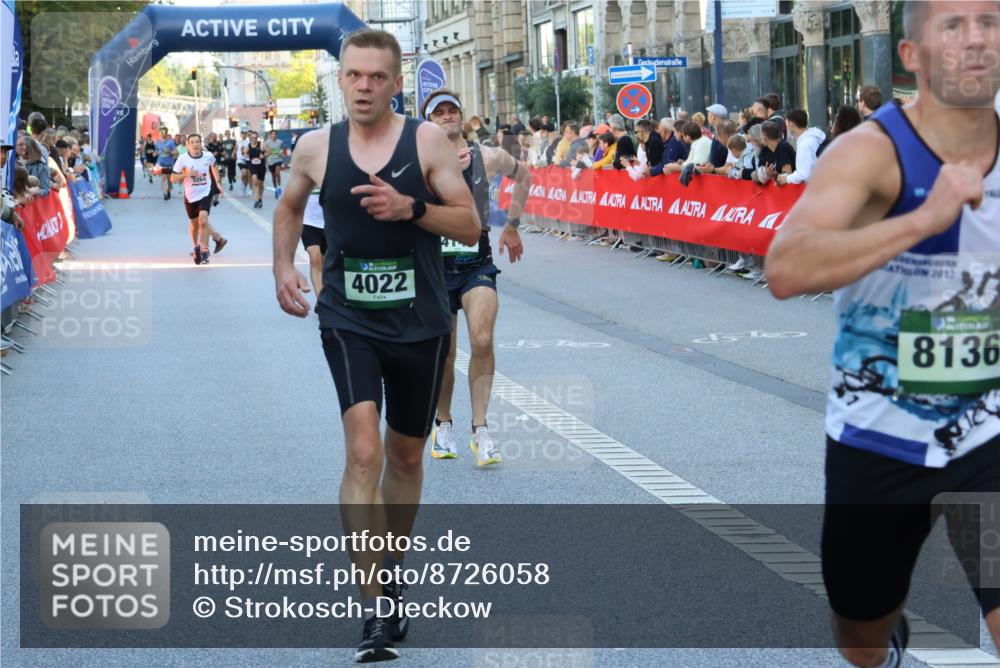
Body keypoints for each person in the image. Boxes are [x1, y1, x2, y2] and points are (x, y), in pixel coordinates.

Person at [765, 3, 1000, 667]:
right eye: (953, 26)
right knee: (860, 633)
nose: (976, 38)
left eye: (990, 21)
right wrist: (924, 218)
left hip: (986, 435)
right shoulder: (871, 151)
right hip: (880, 438)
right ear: (912, 56)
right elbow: (786, 267)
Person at [271, 28, 481, 663]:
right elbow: (287, 209)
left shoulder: (426, 141)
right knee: (363, 450)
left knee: (406, 459)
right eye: (354, 75)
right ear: (341, 79)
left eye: (377, 77)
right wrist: (282, 266)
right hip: (347, 319)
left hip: (421, 321)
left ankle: (392, 569)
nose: (364, 86)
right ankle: (377, 602)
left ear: (395, 82)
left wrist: (411, 207)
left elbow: (469, 224)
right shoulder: (314, 147)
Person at [421, 88, 531, 466]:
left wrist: (512, 225)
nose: (447, 116)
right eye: (440, 113)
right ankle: (443, 422)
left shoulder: (488, 155)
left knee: (482, 339)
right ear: (429, 121)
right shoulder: (416, 159)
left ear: (462, 116)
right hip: (434, 266)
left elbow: (525, 175)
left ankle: (480, 428)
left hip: (476, 263)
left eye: (452, 110)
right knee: (444, 352)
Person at [171, 134, 227, 265]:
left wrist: (218, 182)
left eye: (198, 142)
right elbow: (173, 178)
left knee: (203, 220)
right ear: (188, 145)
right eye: (192, 142)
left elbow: (214, 166)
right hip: (190, 195)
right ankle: (196, 246)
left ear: (201, 143)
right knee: (194, 225)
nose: (195, 144)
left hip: (205, 192)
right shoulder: (183, 159)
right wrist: (186, 174)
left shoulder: (208, 156)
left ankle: (204, 249)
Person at [778, 108, 826, 185]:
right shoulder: (814, 136)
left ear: (791, 123)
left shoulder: (805, 144)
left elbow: (804, 174)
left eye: (786, 122)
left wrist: (787, 178)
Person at [244, 132, 267, 208]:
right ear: (250, 138)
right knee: (254, 181)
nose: (254, 139)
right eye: (252, 138)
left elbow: (269, 152)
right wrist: (246, 155)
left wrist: (264, 155)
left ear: (257, 138)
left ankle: (260, 198)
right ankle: (256, 200)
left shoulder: (261, 145)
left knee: (261, 185)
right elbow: (245, 154)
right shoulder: (248, 146)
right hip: (253, 167)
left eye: (255, 138)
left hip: (261, 167)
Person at [155, 127, 177, 200]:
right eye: (161, 132)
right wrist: (154, 153)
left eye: (164, 132)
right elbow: (156, 151)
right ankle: (165, 193)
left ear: (166, 133)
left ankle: (169, 190)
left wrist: (169, 152)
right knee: (163, 178)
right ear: (160, 133)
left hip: (169, 163)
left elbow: (175, 152)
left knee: (169, 179)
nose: (163, 133)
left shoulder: (171, 142)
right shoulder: (157, 142)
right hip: (161, 163)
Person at [264, 129, 286, 198]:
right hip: (270, 161)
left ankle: (279, 187)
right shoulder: (267, 143)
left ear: (277, 135)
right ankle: (276, 189)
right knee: (273, 176)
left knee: (277, 173)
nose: (274, 135)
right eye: (272, 134)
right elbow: (265, 152)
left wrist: (282, 153)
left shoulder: (280, 142)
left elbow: (284, 148)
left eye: (275, 134)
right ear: (270, 135)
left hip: (278, 159)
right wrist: (266, 155)